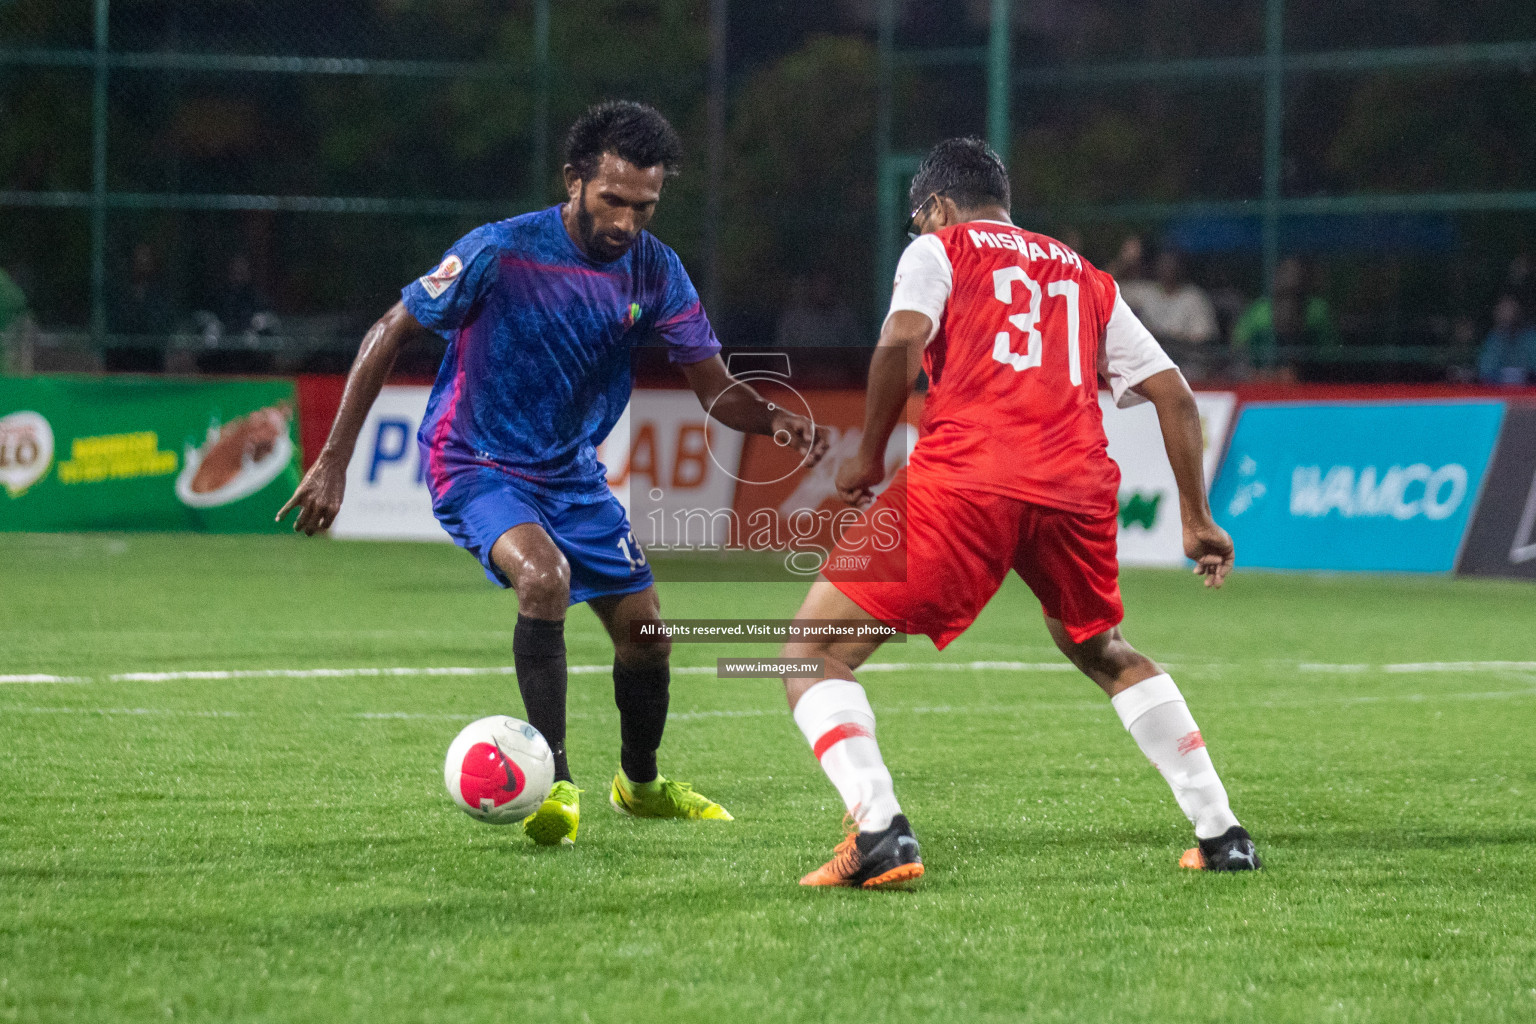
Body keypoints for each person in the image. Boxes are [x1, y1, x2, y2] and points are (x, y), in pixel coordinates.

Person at [278, 101, 827, 846]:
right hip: (475, 460)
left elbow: (715, 389)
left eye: (645, 206)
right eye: (612, 200)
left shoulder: (656, 268)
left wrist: (771, 418)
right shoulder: (498, 251)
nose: (627, 221)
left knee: (648, 636)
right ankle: (553, 785)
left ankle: (639, 786)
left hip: (570, 474)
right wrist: (335, 461)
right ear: (573, 181)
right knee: (543, 578)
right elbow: (391, 330)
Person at [777, 138, 1259, 888]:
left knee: (811, 651)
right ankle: (1223, 832)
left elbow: (902, 339)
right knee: (1103, 648)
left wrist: (869, 455)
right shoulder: (1086, 275)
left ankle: (879, 830)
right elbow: (1174, 393)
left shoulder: (943, 250)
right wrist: (1196, 518)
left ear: (937, 207)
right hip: (1075, 489)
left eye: (920, 219)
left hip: (968, 481)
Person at [1232, 257, 1339, 380]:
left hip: (1308, 378)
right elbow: (1238, 345)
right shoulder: (1259, 310)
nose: (1290, 280)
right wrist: (1262, 372)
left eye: (1296, 275)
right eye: (1285, 274)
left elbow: (1330, 352)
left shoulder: (1318, 310)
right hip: (1260, 374)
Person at [1119, 248, 1219, 377]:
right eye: (1163, 264)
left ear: (1182, 268)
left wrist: (1162, 338)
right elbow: (1104, 288)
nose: (1167, 269)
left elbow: (1201, 341)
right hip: (1147, 363)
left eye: (1172, 264)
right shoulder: (1146, 292)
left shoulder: (1194, 297)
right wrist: (1124, 261)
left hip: (1184, 364)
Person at [1477, 294, 1536, 385]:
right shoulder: (1493, 338)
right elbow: (1485, 371)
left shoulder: (1530, 337)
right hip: (1498, 393)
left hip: (1529, 393)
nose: (1506, 313)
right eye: (1502, 309)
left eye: (1509, 308)